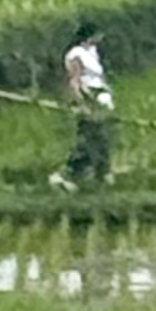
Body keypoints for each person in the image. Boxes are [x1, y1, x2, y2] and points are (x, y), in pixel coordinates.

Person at [55, 20, 116, 189]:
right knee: (90, 136)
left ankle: (101, 173)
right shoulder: (76, 54)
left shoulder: (92, 52)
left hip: (100, 97)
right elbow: (75, 80)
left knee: (102, 137)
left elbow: (99, 77)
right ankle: (67, 174)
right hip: (88, 96)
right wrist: (83, 101)